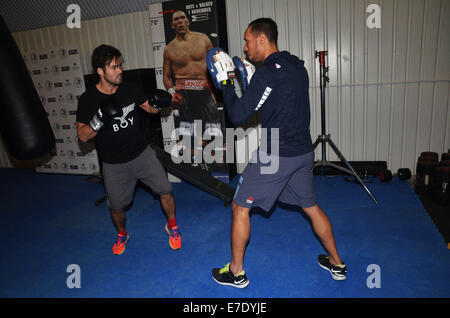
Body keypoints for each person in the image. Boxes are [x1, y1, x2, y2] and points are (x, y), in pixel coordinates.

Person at [210, 18, 346, 288]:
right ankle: (337, 262)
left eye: (248, 41)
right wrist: (249, 81)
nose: (245, 48)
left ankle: (236, 272)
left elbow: (238, 115)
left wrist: (225, 83)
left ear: (262, 39)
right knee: (311, 207)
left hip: (276, 154)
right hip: (303, 152)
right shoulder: (297, 67)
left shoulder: (267, 74)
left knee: (239, 207)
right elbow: (272, 100)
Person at [76, 44, 181, 255]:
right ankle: (122, 233)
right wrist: (99, 119)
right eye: (114, 67)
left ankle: (173, 226)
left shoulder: (130, 88)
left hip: (142, 153)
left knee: (166, 189)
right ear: (100, 71)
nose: (120, 70)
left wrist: (161, 103)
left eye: (119, 65)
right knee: (116, 206)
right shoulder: (87, 100)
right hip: (114, 163)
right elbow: (83, 136)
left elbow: (149, 108)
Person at [163, 10, 225, 165]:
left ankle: (218, 169)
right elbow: (166, 76)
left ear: (188, 21)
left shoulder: (203, 39)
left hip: (204, 91)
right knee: (189, 137)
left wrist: (218, 86)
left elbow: (215, 63)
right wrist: (171, 92)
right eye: (176, 19)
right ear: (172, 25)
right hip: (184, 94)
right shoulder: (169, 49)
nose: (180, 21)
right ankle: (195, 168)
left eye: (182, 18)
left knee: (213, 132)